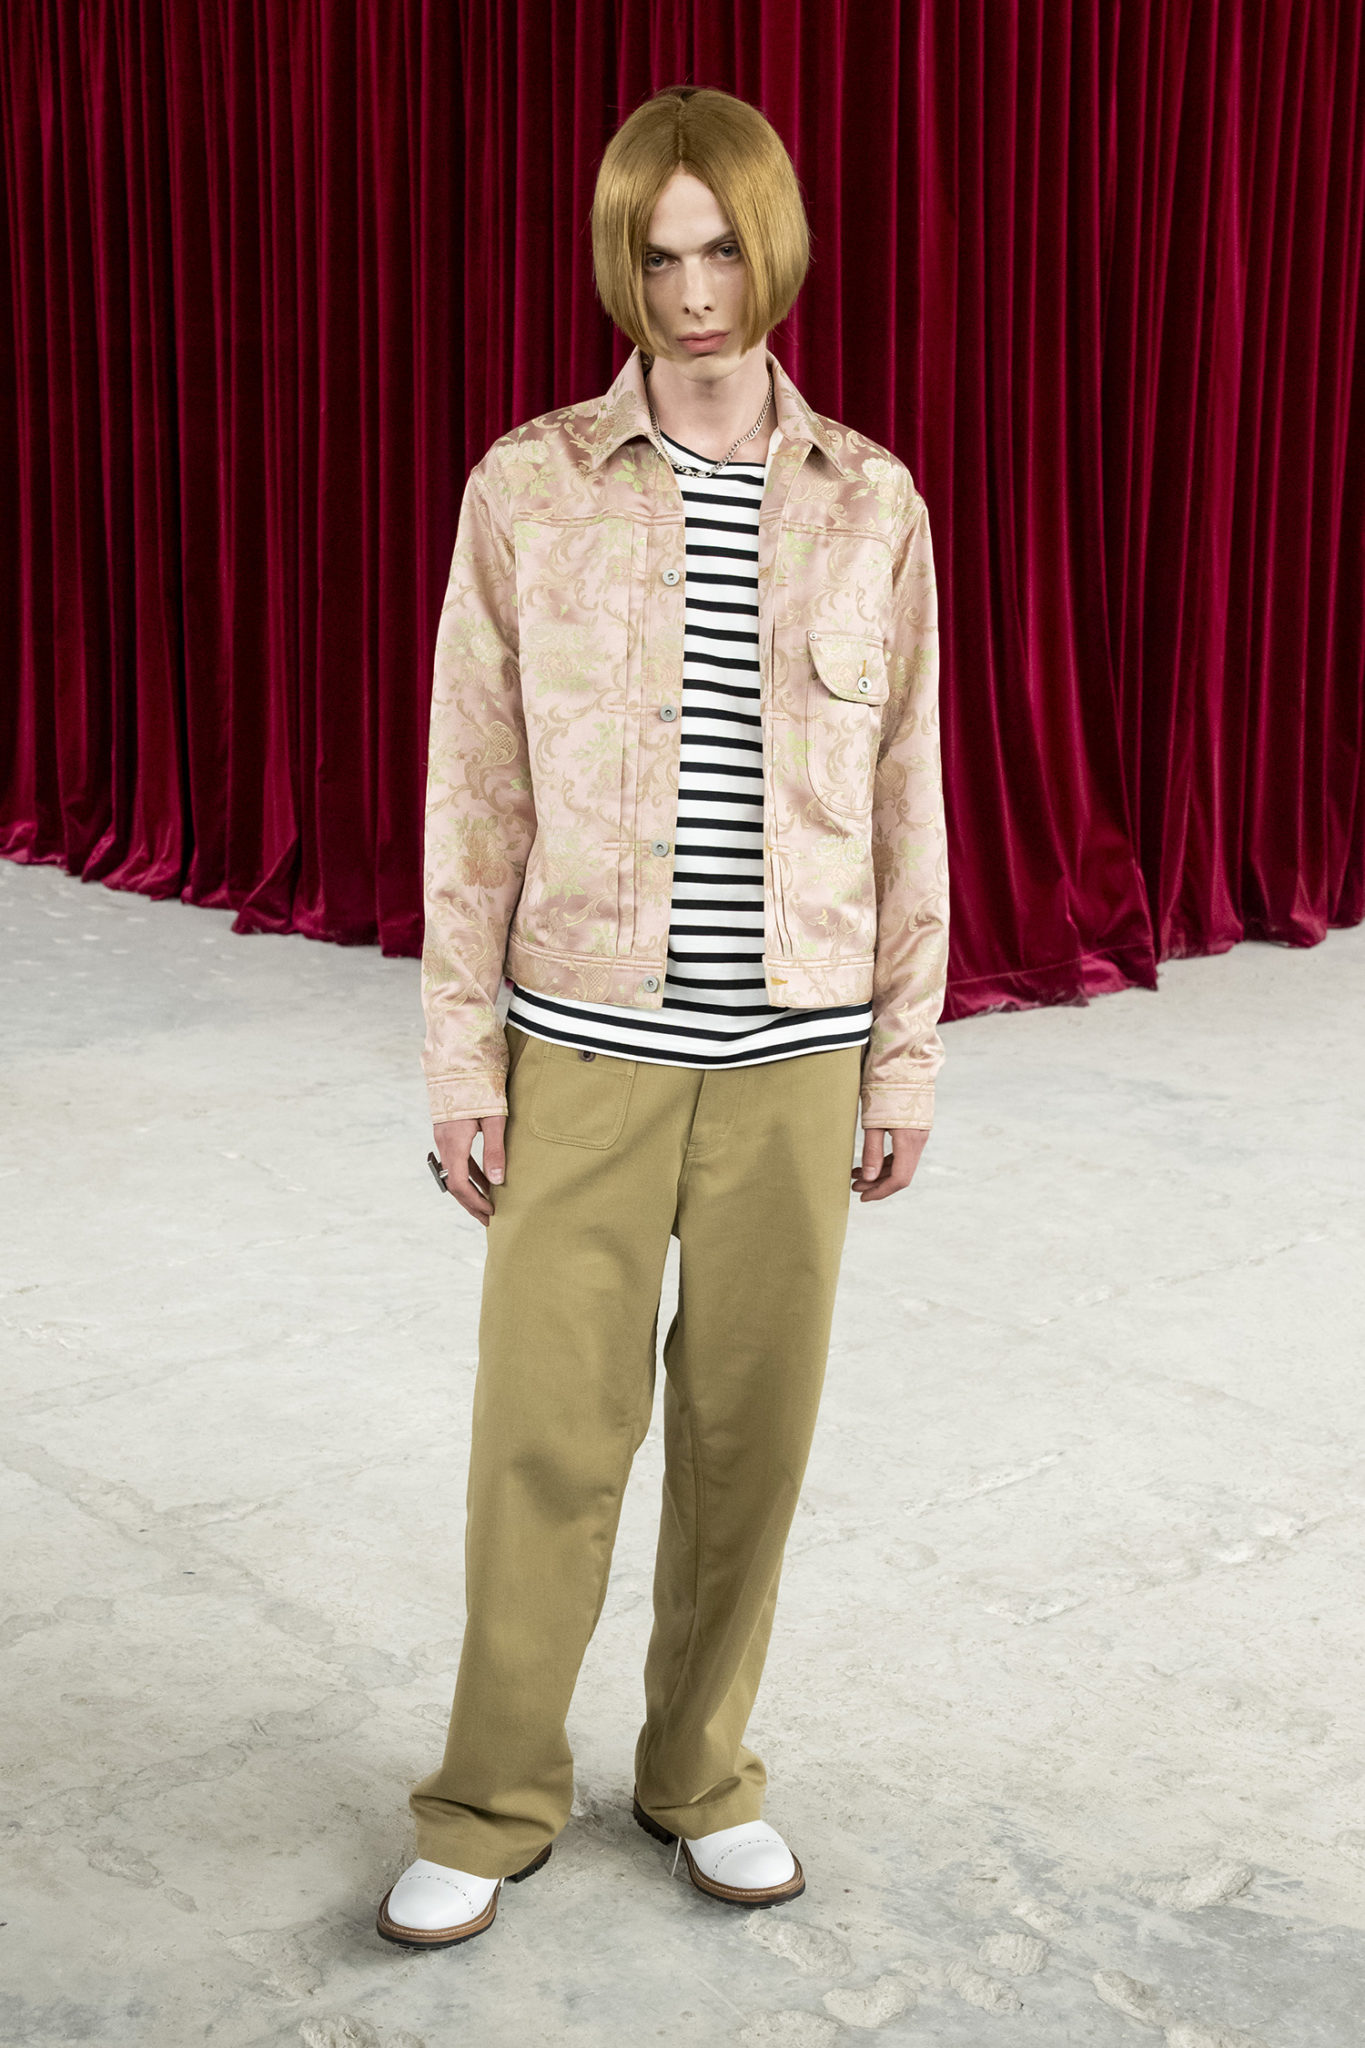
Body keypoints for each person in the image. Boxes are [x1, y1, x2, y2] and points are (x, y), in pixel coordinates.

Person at [376, 84, 947, 1951]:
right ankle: (490, 1796)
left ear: (773, 251)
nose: (692, 294)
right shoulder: (528, 486)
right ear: (619, 266)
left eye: (720, 251)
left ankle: (701, 1776)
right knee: (543, 1444)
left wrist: (903, 1052)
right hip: (586, 1054)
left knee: (745, 1447)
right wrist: (461, 1056)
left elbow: (907, 794)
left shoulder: (868, 501)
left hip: (792, 1065)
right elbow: (472, 790)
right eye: (655, 255)